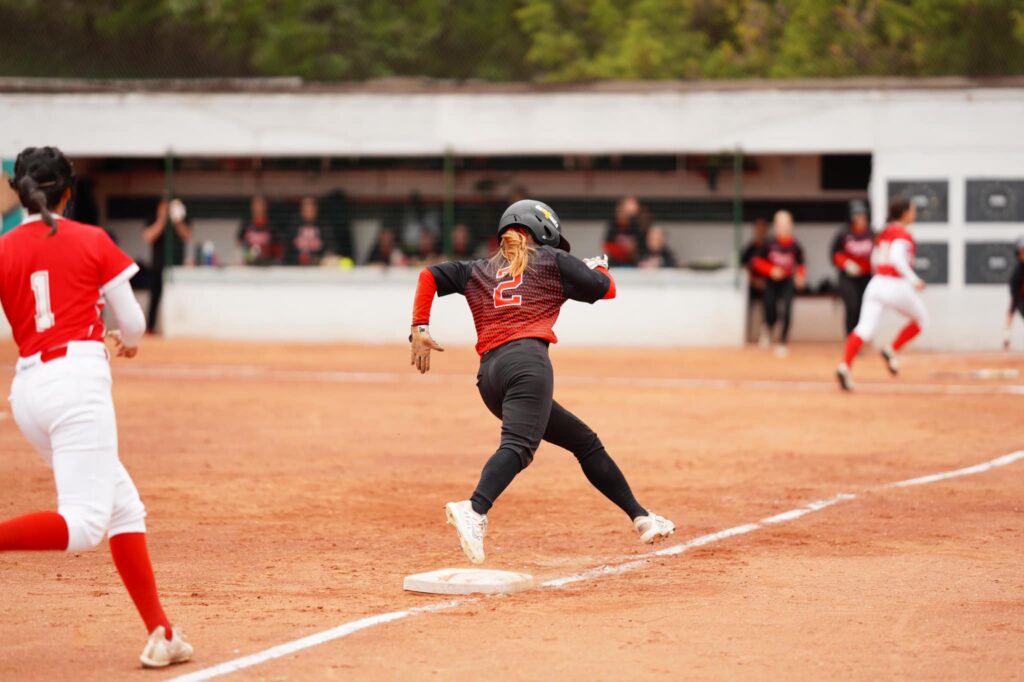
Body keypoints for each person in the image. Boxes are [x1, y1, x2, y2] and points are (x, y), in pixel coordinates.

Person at [0, 147, 192, 668]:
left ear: (21, 192)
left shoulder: (5, 247)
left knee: (124, 506)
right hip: (76, 383)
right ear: (68, 191)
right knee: (85, 524)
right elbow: (130, 322)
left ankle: (162, 632)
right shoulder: (90, 239)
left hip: (28, 390)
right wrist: (127, 342)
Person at [408, 199, 675, 564]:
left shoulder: (479, 268)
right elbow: (605, 290)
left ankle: (641, 517)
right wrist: (599, 267)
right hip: (528, 366)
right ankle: (475, 508)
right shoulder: (553, 261)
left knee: (584, 441)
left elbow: (429, 275)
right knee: (518, 448)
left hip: (490, 378)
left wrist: (419, 327)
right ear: (542, 230)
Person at [836, 197, 926, 391]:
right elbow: (896, 257)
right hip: (896, 284)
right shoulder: (902, 234)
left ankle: (845, 366)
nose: (914, 213)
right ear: (904, 213)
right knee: (921, 320)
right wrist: (914, 280)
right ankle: (891, 349)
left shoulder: (883, 232)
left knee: (864, 329)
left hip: (876, 283)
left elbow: (876, 258)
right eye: (912, 210)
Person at [751, 210, 806, 357]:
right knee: (770, 308)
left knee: (787, 311)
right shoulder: (769, 243)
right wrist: (771, 270)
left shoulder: (795, 245)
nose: (784, 227)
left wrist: (800, 276)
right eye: (781, 224)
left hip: (787, 281)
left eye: (787, 224)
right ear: (776, 226)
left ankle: (782, 342)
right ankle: (768, 327)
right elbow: (756, 262)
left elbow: (801, 263)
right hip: (771, 281)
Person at [142, 198, 191, 332]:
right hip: (158, 265)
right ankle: (150, 328)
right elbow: (148, 236)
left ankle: (179, 327)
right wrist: (162, 219)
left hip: (176, 266)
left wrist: (176, 220)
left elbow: (187, 235)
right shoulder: (154, 218)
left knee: (177, 298)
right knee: (155, 298)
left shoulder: (181, 218)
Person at [831, 200, 874, 335]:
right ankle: (850, 336)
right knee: (852, 305)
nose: (860, 218)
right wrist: (846, 264)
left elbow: (878, 252)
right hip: (848, 277)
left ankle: (858, 337)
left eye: (863, 215)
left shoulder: (871, 233)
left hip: (866, 276)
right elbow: (834, 254)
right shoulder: (844, 233)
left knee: (863, 307)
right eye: (857, 215)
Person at [237, 195, 281, 265]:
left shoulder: (271, 225)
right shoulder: (246, 223)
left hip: (267, 263)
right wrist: (247, 254)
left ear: (266, 206)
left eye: (261, 205)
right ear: (252, 206)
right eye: (256, 204)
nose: (258, 208)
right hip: (249, 261)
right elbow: (239, 242)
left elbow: (278, 245)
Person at [603, 196, 644, 266]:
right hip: (615, 263)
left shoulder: (636, 224)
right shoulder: (613, 225)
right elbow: (607, 245)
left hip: (633, 264)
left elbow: (642, 246)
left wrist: (633, 252)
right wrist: (624, 250)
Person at [285, 196, 326, 266]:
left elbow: (330, 248)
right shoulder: (293, 225)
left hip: (318, 266)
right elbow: (286, 248)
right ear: (301, 209)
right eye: (306, 207)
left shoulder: (324, 226)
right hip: (296, 266)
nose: (309, 210)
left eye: (311, 207)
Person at [1003, 237, 1024, 350]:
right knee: (1012, 309)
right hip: (1021, 300)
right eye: (1022, 252)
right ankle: (1006, 336)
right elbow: (1014, 298)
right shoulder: (1018, 272)